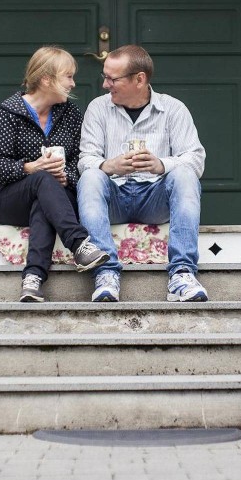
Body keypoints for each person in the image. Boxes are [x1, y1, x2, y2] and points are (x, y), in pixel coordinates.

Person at [77, 45, 207, 302]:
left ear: (139, 79)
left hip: (154, 198)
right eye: (105, 76)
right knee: (90, 176)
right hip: (114, 196)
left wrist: (161, 165)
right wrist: (110, 166)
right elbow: (85, 160)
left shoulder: (173, 109)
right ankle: (105, 273)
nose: (105, 84)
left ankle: (182, 273)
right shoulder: (98, 108)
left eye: (112, 79)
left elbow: (195, 159)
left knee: (184, 175)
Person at [0, 45, 109, 302]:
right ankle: (79, 244)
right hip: (11, 199)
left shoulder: (71, 115)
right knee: (42, 179)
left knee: (45, 200)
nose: (73, 84)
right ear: (45, 79)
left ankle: (32, 279)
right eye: (68, 76)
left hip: (57, 199)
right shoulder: (9, 112)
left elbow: (82, 161)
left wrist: (67, 178)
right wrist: (31, 167)